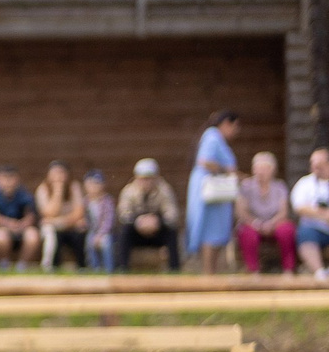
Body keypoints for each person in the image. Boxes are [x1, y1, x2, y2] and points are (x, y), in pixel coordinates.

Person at [187, 110, 242, 274]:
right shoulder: (212, 136)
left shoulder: (214, 138)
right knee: (210, 232)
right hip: (211, 194)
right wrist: (227, 170)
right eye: (235, 126)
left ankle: (211, 272)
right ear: (226, 123)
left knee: (216, 232)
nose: (237, 131)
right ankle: (208, 272)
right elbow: (205, 161)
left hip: (215, 193)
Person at [116, 158, 182, 272]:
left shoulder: (165, 190)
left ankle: (174, 268)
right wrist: (138, 221)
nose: (146, 182)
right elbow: (123, 213)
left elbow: (172, 213)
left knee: (171, 231)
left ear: (156, 178)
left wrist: (158, 221)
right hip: (137, 231)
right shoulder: (128, 191)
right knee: (125, 231)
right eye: (143, 179)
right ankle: (122, 267)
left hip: (157, 231)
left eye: (149, 178)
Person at [235, 150, 296, 275]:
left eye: (264, 168)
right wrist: (256, 223)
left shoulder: (279, 186)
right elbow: (241, 212)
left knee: (287, 230)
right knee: (247, 233)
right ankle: (253, 271)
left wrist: (271, 223)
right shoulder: (246, 186)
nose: (260, 172)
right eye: (257, 168)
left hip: (275, 223)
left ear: (272, 170)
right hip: (252, 223)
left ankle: (288, 270)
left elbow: (283, 212)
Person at [0, 165, 40, 268]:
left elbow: (31, 215)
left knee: (33, 235)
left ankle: (22, 266)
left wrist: (22, 224)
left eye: (11, 177)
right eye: (5, 178)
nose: (8, 182)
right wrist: (8, 224)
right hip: (0, 230)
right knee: (0, 237)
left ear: (17, 179)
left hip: (21, 229)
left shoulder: (23, 193)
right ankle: (4, 265)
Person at [35, 160, 87, 269]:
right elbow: (49, 213)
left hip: (70, 226)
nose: (58, 177)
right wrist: (58, 191)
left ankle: (83, 265)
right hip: (54, 228)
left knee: (81, 227)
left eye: (61, 173)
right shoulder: (42, 189)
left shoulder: (74, 187)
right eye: (54, 173)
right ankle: (50, 265)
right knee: (50, 232)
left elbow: (79, 213)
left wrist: (59, 222)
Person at [292, 148, 329, 279]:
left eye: (319, 163)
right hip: (314, 227)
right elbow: (299, 207)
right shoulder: (305, 183)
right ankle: (319, 273)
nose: (315, 166)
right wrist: (324, 214)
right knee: (305, 233)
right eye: (312, 163)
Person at [81, 170, 118, 272]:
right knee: (89, 241)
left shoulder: (107, 201)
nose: (93, 187)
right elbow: (85, 219)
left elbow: (109, 221)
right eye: (90, 184)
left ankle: (109, 268)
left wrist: (100, 234)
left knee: (106, 243)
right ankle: (94, 267)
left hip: (105, 232)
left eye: (96, 184)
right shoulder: (85, 202)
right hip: (92, 231)